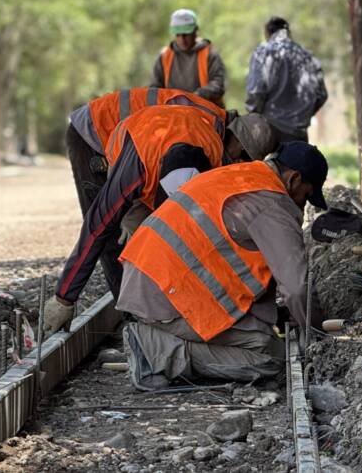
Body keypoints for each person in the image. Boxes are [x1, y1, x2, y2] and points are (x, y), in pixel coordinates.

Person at [115, 141, 329, 389]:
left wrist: (278, 314)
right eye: (305, 197)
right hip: (163, 295)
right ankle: (155, 351)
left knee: (261, 333)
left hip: (146, 278)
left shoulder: (240, 175)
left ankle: (159, 336)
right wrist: (318, 335)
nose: (302, 206)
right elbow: (297, 288)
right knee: (271, 356)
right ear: (294, 179)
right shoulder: (273, 202)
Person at [44, 106, 278, 331]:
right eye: (243, 157)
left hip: (161, 153)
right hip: (111, 140)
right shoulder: (140, 164)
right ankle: (135, 315)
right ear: (239, 142)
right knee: (119, 234)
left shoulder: (212, 142)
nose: (240, 164)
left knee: (165, 240)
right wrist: (64, 297)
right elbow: (97, 225)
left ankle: (154, 308)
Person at [65, 87, 227, 214]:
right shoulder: (205, 123)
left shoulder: (206, 120)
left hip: (109, 131)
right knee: (105, 218)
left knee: (121, 215)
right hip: (90, 131)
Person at [245, 16, 328, 143]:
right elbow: (321, 94)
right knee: (299, 157)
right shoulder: (307, 56)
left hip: (271, 131)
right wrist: (304, 114)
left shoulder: (263, 53)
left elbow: (256, 91)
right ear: (289, 32)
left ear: (267, 33)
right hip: (299, 132)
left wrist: (254, 117)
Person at [150, 9, 226, 107]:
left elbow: (218, 85)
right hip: (172, 110)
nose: (182, 39)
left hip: (206, 110)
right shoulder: (165, 56)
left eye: (186, 34)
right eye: (178, 35)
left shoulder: (209, 54)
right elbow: (155, 87)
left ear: (195, 31)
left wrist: (196, 96)